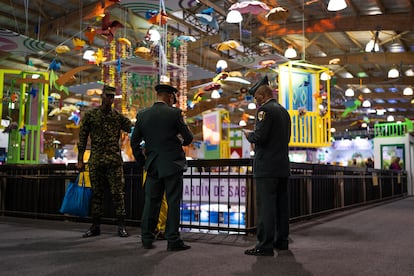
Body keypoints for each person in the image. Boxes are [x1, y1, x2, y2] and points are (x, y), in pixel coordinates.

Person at [131, 83, 193, 251]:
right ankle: (173, 240)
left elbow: (134, 142)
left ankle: (146, 238)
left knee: (151, 203)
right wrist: (179, 140)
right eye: (174, 98)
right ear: (170, 97)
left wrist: (142, 161)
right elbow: (188, 137)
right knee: (173, 202)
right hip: (172, 165)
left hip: (152, 166)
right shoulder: (174, 114)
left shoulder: (143, 115)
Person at [242, 76, 291, 257]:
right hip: (282, 166)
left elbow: (260, 137)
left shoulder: (264, 111)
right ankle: (282, 241)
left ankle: (264, 245)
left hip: (266, 168)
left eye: (256, 98)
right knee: (281, 206)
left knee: (266, 208)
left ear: (262, 95)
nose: (255, 102)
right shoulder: (284, 112)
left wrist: (249, 135)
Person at [76, 84, 132, 238]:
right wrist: (80, 159)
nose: (110, 99)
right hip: (96, 160)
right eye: (107, 96)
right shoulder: (91, 115)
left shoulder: (117, 117)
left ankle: (121, 226)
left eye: (112, 97)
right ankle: (95, 226)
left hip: (114, 161)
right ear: (102, 97)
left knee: (118, 194)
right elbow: (82, 138)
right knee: (97, 194)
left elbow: (133, 128)